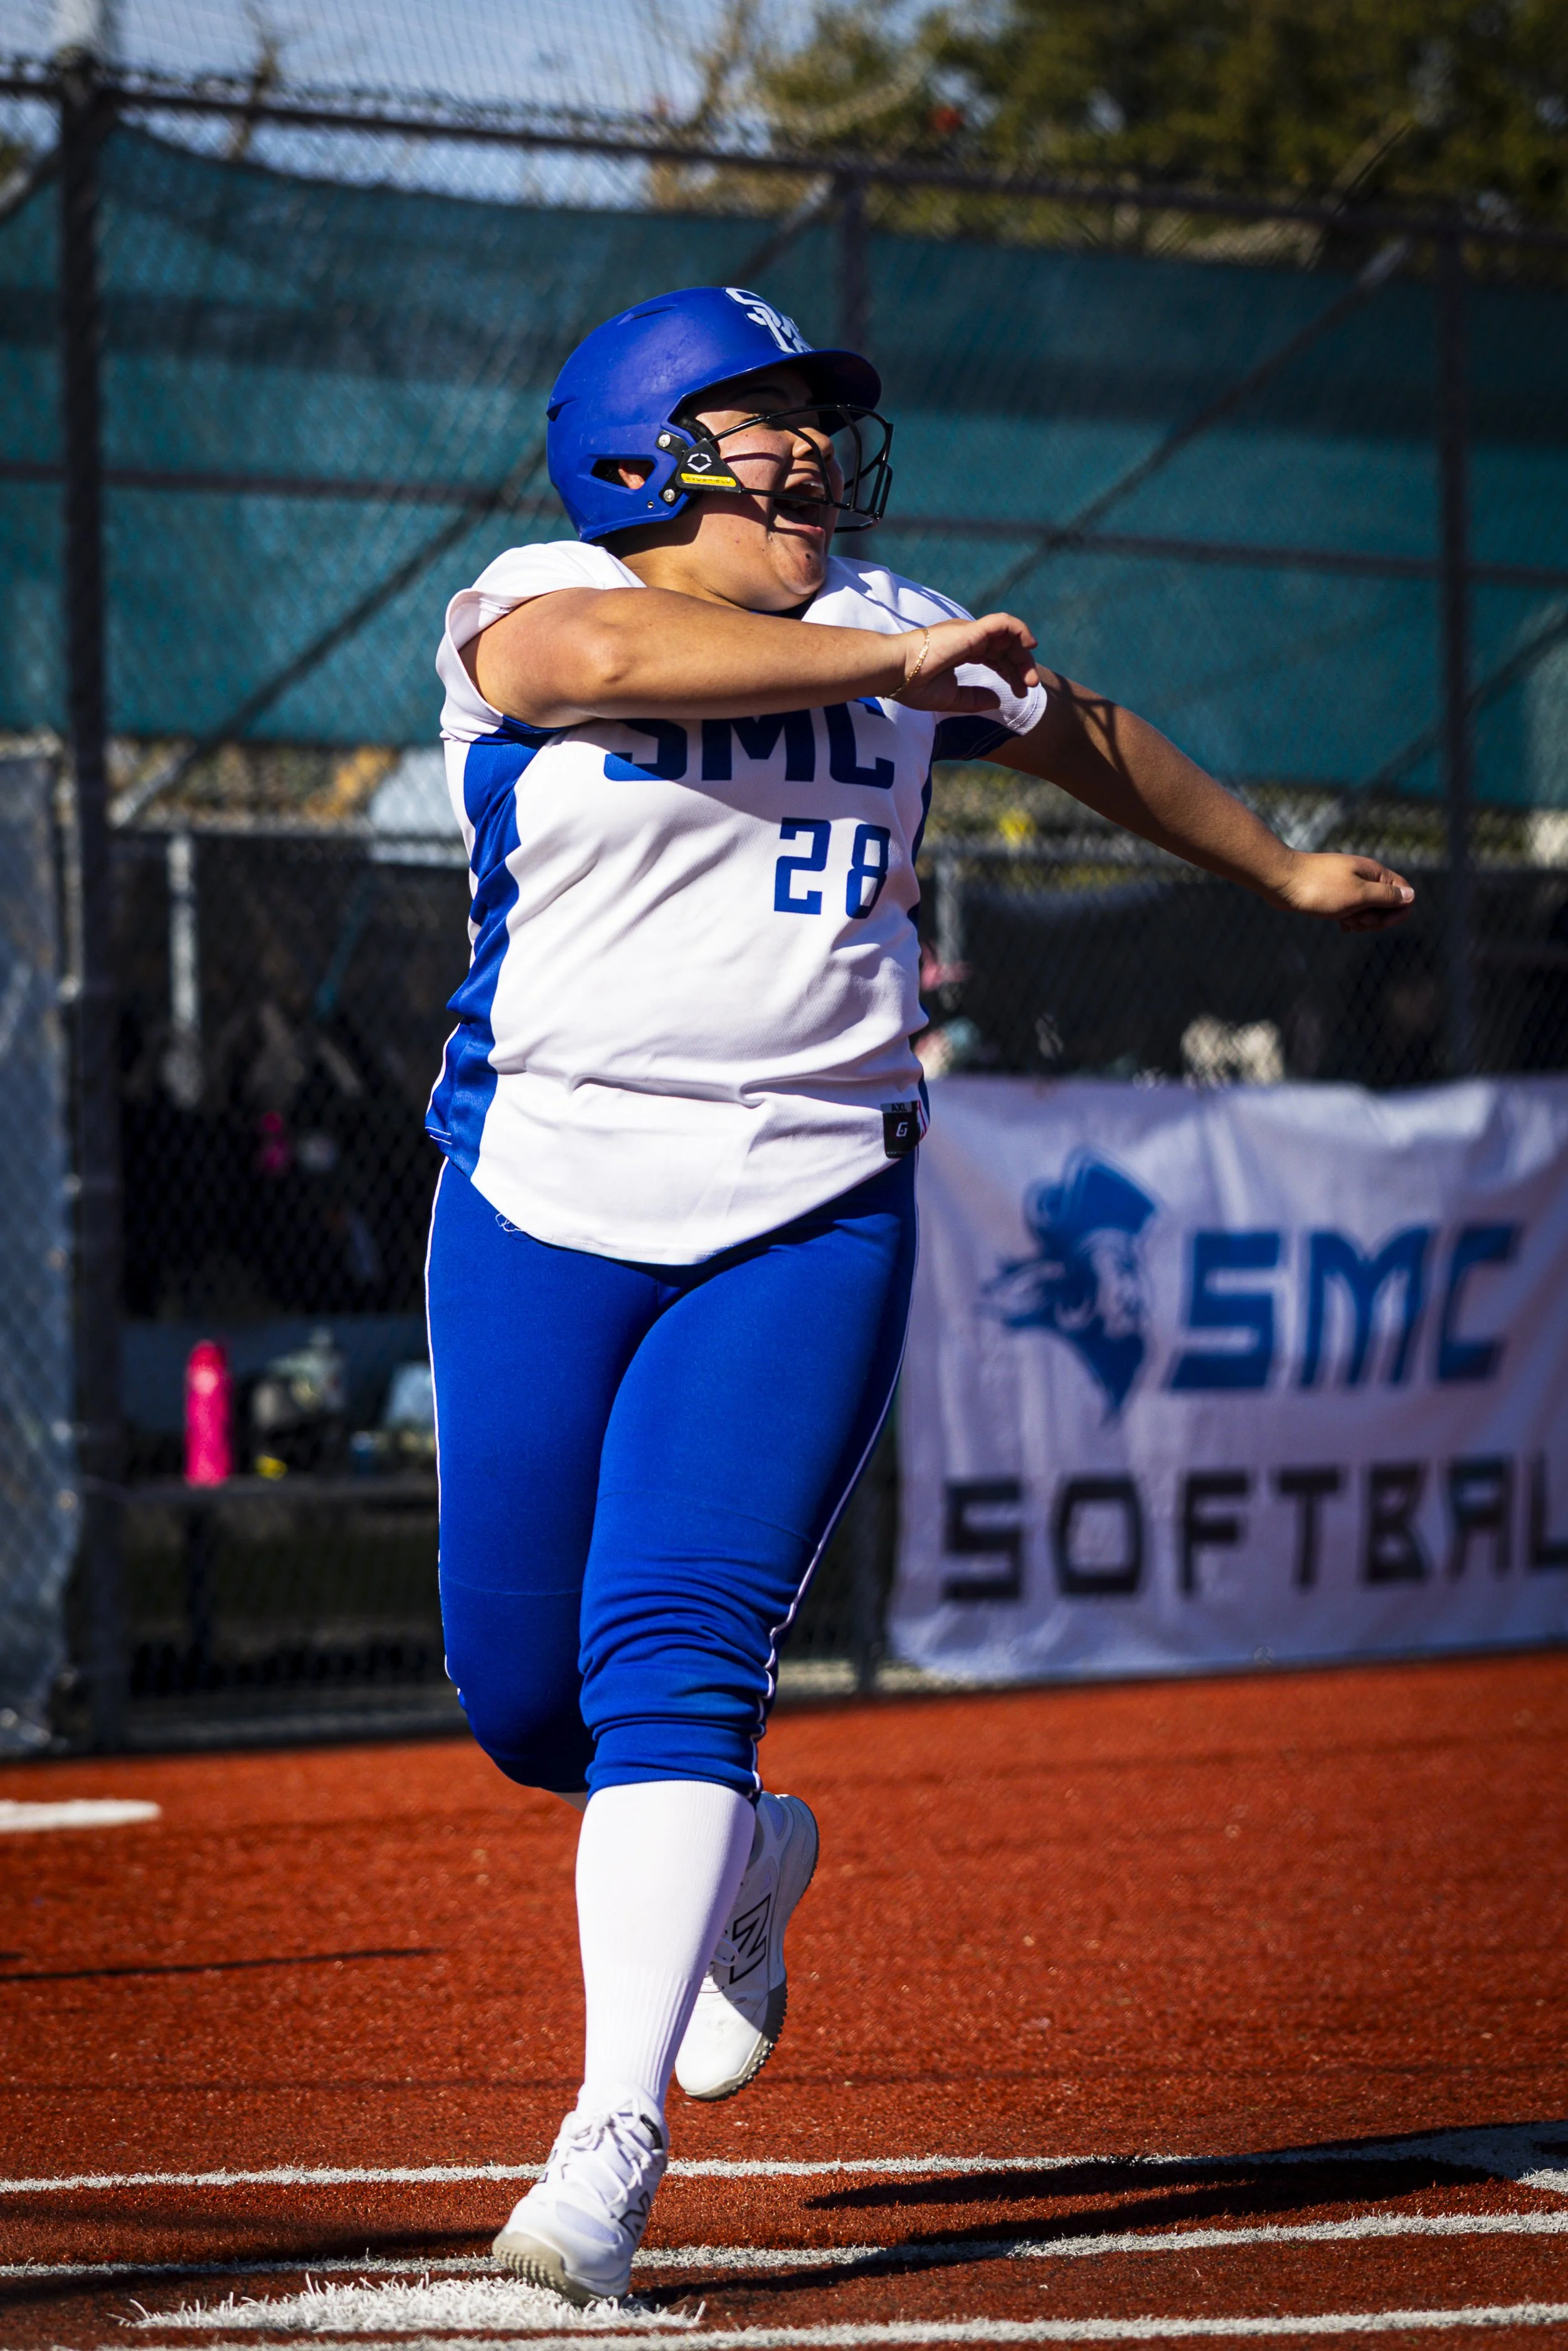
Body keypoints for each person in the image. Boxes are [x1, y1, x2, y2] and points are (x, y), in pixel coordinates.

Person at [423, 284, 1414, 2306]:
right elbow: (598, 657)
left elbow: (1094, 740)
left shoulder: (901, 605)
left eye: (814, 426)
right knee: (531, 1706)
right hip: (539, 1192)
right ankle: (753, 1857)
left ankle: (607, 2145)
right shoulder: (530, 594)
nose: (803, 458)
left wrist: (1280, 869)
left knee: (675, 1649)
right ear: (636, 445)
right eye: (755, 424)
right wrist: (894, 659)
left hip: (805, 1203)